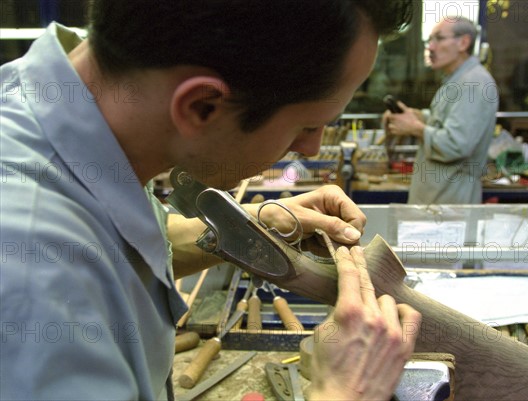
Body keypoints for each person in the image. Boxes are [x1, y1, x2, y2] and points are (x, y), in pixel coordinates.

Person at [0, 1, 421, 400]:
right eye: (307, 126)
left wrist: (248, 225)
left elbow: (119, 250)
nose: (310, 150)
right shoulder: (35, 278)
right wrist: (345, 390)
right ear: (202, 106)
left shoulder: (79, 98)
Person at [383, 16, 499, 204]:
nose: (431, 47)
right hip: (438, 199)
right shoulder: (457, 80)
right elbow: (448, 120)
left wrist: (415, 128)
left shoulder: (473, 83)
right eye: (430, 40)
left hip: (449, 203)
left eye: (438, 39)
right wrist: (418, 116)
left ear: (463, 42)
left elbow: (456, 144)